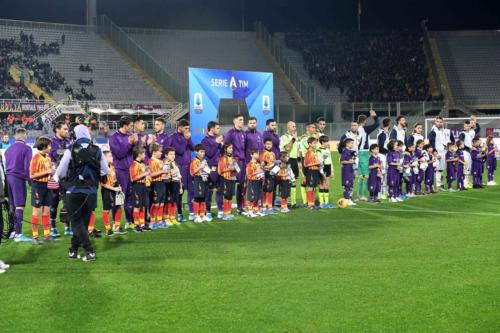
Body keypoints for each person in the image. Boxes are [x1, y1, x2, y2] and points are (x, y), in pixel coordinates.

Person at [54, 124, 109, 262]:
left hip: (73, 190)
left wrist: (59, 178)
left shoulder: (70, 149)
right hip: (91, 191)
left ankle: (89, 250)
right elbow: (105, 170)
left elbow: (61, 170)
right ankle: (73, 250)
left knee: (77, 223)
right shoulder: (97, 150)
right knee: (83, 224)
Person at [109, 116, 137, 229]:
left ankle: (129, 221)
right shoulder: (113, 138)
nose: (131, 128)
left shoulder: (130, 136)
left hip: (130, 170)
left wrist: (136, 143)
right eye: (130, 126)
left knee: (130, 197)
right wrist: (129, 143)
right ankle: (116, 224)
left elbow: (135, 154)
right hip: (120, 171)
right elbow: (119, 154)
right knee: (119, 198)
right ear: (124, 125)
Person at [5, 128, 32, 242]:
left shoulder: (8, 149)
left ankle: (12, 231)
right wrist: (30, 181)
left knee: (12, 205)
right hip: (18, 178)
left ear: (15, 136)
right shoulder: (27, 148)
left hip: (8, 177)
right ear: (25, 136)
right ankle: (18, 234)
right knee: (20, 204)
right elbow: (27, 167)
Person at [29, 136, 54, 244]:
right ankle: (35, 237)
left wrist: (52, 171)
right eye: (49, 145)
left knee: (47, 210)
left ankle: (47, 235)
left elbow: (49, 171)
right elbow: (32, 175)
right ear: (44, 146)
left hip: (47, 185)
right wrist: (47, 171)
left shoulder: (48, 157)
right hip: (38, 186)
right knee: (37, 211)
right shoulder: (35, 158)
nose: (51, 147)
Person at [170, 119, 195, 221]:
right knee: (180, 192)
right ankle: (180, 214)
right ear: (179, 127)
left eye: (188, 128)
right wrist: (185, 139)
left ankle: (192, 212)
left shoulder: (187, 136)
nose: (187, 130)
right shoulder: (173, 137)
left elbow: (193, 148)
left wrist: (188, 139)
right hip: (179, 168)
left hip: (189, 167)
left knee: (192, 190)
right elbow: (179, 151)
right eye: (185, 128)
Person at [49, 121, 71, 237]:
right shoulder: (51, 142)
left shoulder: (69, 141)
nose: (67, 131)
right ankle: (53, 228)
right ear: (57, 129)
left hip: (68, 177)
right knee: (54, 202)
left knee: (67, 202)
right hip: (55, 177)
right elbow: (55, 154)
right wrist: (68, 152)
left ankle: (67, 227)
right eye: (64, 129)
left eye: (67, 129)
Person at [223, 115, 246, 214]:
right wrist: (229, 160)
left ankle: (240, 207)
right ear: (234, 121)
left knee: (241, 185)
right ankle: (226, 209)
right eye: (240, 120)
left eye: (243, 120)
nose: (242, 122)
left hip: (242, 162)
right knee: (230, 185)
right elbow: (225, 147)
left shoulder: (243, 133)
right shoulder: (230, 133)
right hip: (233, 162)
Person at [101, 150, 126, 236]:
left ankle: (117, 227)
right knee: (106, 210)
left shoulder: (112, 166)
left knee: (119, 208)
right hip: (107, 191)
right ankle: (108, 229)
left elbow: (114, 179)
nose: (112, 158)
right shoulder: (102, 168)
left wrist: (118, 186)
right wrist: (113, 188)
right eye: (110, 156)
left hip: (115, 190)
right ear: (104, 158)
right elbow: (102, 184)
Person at [201, 121, 223, 219]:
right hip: (210, 169)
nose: (219, 130)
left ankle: (220, 211)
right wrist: (216, 143)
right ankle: (208, 212)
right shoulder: (205, 140)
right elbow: (209, 154)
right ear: (211, 128)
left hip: (218, 168)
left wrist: (221, 145)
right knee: (209, 191)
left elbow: (221, 153)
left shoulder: (216, 139)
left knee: (219, 190)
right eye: (217, 128)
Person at [356, 110, 379, 201]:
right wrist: (374, 116)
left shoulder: (356, 129)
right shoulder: (364, 129)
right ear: (364, 121)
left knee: (361, 176)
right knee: (366, 175)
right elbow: (376, 124)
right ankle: (363, 195)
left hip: (358, 153)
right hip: (364, 153)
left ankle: (359, 195)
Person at [428, 116, 454, 190]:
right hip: (438, 153)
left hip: (446, 152)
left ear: (443, 122)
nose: (439, 123)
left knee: (446, 169)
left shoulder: (447, 131)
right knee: (438, 169)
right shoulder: (433, 132)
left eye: (440, 122)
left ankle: (445, 184)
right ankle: (439, 185)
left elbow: (452, 141)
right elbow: (431, 143)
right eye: (437, 122)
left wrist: (451, 149)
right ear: (435, 122)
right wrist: (435, 153)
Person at [279, 121, 300, 207]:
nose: (294, 128)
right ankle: (284, 202)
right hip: (288, 160)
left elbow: (298, 151)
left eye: (295, 126)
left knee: (294, 181)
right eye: (293, 126)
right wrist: (293, 139)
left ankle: (293, 203)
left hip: (295, 160)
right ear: (288, 127)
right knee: (286, 181)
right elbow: (287, 148)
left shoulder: (296, 138)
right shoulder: (284, 137)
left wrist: (299, 162)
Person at [130, 146, 150, 232]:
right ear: (139, 154)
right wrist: (144, 174)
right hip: (137, 186)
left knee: (143, 205)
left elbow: (147, 174)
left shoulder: (143, 164)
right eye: (144, 153)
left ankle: (142, 224)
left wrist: (148, 176)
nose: (145, 155)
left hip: (144, 185)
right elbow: (132, 178)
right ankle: (136, 224)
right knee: (137, 206)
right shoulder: (133, 164)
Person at [190, 144, 209, 224]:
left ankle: (202, 215)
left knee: (203, 198)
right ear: (196, 152)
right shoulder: (194, 161)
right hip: (197, 179)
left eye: (203, 152)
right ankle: (196, 216)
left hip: (204, 179)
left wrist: (209, 170)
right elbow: (192, 172)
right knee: (197, 197)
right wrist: (200, 167)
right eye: (201, 152)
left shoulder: (204, 160)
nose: (203, 153)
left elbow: (207, 170)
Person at [149, 144, 167, 229]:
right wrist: (162, 171)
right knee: (155, 203)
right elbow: (151, 174)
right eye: (159, 151)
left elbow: (162, 172)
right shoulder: (151, 161)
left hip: (162, 183)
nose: (161, 153)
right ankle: (152, 222)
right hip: (155, 184)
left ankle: (159, 221)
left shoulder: (160, 161)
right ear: (154, 152)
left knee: (161, 203)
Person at [218, 143, 238, 220]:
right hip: (225, 179)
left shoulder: (233, 158)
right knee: (226, 196)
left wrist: (235, 168)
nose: (231, 149)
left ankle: (228, 213)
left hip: (232, 178)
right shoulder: (222, 158)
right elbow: (220, 171)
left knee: (230, 196)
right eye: (229, 148)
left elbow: (237, 169)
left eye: (232, 148)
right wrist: (229, 168)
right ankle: (225, 214)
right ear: (225, 149)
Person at [163, 147, 181, 226]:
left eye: (174, 154)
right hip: (168, 183)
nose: (173, 156)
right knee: (168, 202)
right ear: (166, 155)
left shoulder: (175, 163)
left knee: (174, 201)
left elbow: (178, 175)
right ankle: (166, 219)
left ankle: (172, 218)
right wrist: (169, 173)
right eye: (170, 154)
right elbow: (164, 174)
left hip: (176, 183)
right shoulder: (165, 164)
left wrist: (180, 185)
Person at [245, 148, 264, 217]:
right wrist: (256, 172)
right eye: (256, 153)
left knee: (257, 196)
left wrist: (262, 175)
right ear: (251, 155)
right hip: (252, 182)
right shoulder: (249, 164)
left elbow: (261, 172)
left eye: (258, 153)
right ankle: (250, 211)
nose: (258, 155)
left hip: (258, 181)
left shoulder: (258, 163)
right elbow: (248, 175)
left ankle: (256, 210)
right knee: (251, 197)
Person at [303, 137, 321, 210]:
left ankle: (312, 203)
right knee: (310, 188)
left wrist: (319, 164)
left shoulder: (314, 152)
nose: (315, 144)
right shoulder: (308, 153)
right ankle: (310, 205)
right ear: (310, 144)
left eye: (316, 143)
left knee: (313, 187)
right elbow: (305, 164)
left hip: (316, 171)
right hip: (310, 172)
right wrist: (316, 163)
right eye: (314, 143)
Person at [260, 138, 277, 215]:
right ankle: (263, 207)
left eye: (270, 144)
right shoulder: (263, 154)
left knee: (271, 189)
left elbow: (274, 163)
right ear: (264, 145)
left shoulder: (273, 154)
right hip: (266, 174)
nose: (269, 145)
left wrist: (276, 168)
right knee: (265, 189)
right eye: (267, 144)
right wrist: (268, 167)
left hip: (272, 174)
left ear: (272, 145)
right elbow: (262, 165)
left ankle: (270, 207)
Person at [318, 135, 333, 208]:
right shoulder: (319, 150)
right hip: (322, 168)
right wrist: (321, 171)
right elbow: (319, 161)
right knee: (321, 185)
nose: (328, 143)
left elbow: (330, 160)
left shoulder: (327, 150)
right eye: (326, 141)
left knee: (327, 185)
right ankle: (321, 203)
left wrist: (332, 171)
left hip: (328, 167)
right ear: (322, 142)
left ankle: (326, 203)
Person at [340, 138, 356, 206]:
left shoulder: (351, 152)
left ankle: (349, 199)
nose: (352, 144)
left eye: (353, 143)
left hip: (351, 170)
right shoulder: (345, 151)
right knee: (346, 185)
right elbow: (342, 161)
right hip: (346, 170)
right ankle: (346, 199)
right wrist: (350, 161)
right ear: (347, 144)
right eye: (351, 143)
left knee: (350, 185)